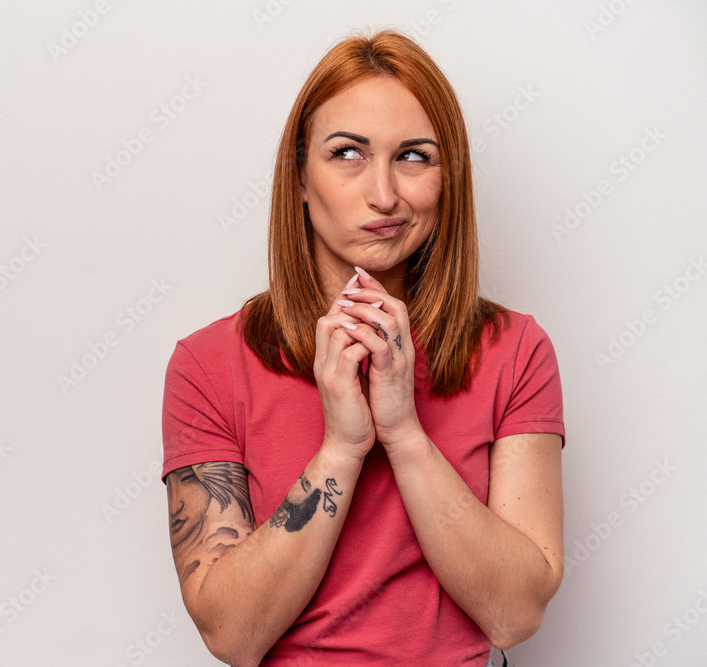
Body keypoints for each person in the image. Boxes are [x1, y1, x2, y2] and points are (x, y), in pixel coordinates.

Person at [161, 29, 564, 666]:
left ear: (448, 179)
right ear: (299, 177)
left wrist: (403, 432)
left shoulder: (515, 350)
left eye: (414, 156)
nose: (384, 194)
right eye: (347, 152)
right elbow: (233, 636)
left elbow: (515, 614)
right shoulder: (208, 365)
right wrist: (343, 448)